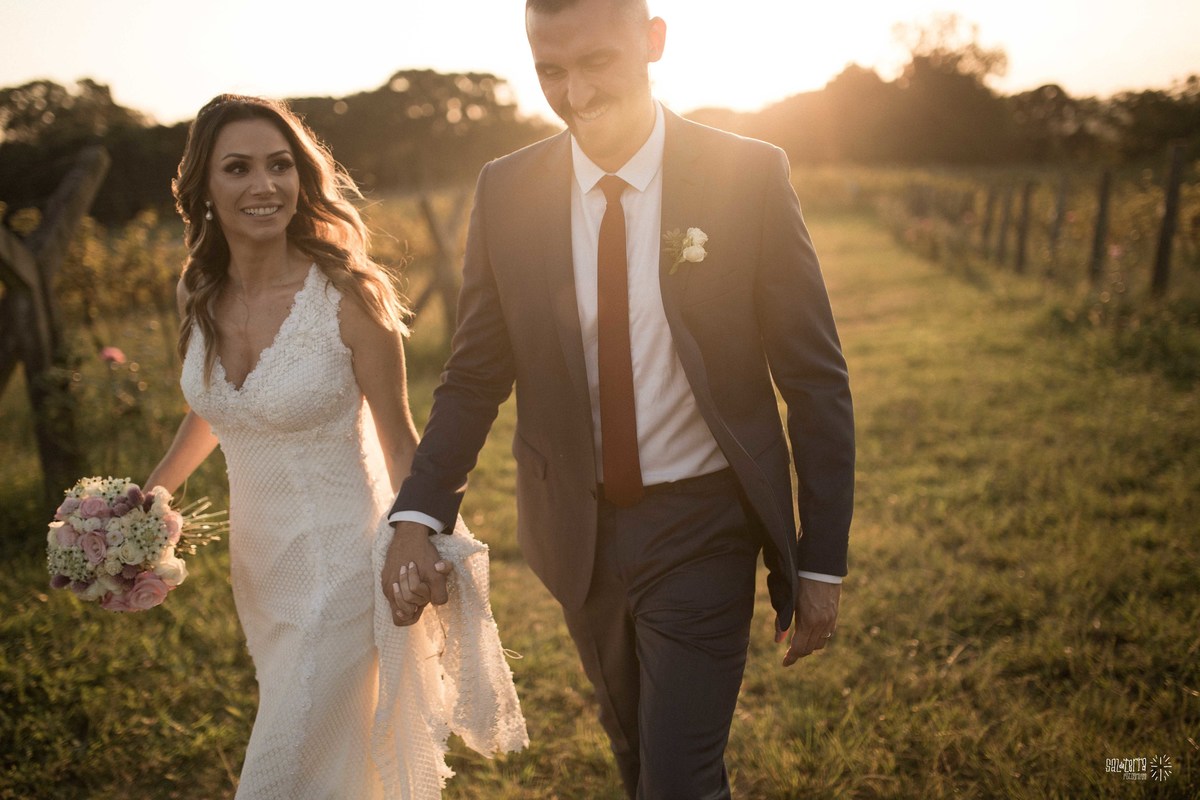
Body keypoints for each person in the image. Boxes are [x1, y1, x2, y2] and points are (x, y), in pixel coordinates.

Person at [382, 0, 855, 796]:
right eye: (550, 71)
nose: (575, 93)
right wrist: (417, 514)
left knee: (678, 776)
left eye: (596, 62)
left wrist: (823, 562)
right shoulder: (507, 191)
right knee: (635, 747)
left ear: (654, 41)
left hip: (703, 524)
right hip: (576, 533)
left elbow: (813, 378)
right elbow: (473, 374)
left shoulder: (747, 174)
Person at [145, 94, 526, 800]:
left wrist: (425, 541)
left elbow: (401, 440)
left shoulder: (349, 297)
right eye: (238, 168)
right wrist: (149, 496)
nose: (264, 185)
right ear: (202, 189)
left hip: (345, 571)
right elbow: (221, 410)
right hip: (263, 575)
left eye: (280, 165)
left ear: (302, 177)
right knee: (335, 761)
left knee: (279, 771)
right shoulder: (197, 291)